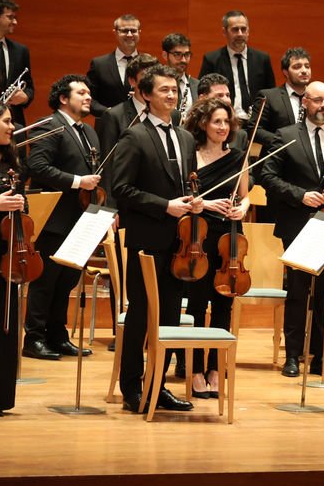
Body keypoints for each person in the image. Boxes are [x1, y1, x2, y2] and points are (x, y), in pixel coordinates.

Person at [108, 64, 203, 413]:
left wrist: (195, 200)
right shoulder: (134, 136)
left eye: (175, 90)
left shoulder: (186, 137)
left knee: (170, 318)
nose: (171, 95)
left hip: (179, 245)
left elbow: (189, 184)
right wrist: (165, 206)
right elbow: (120, 189)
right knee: (141, 314)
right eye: (164, 90)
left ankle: (158, 386)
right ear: (145, 95)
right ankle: (132, 387)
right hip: (147, 238)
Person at [259, 81, 324, 379]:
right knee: (298, 291)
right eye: (318, 101)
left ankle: (320, 356)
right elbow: (266, 175)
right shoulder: (287, 136)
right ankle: (292, 356)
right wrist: (300, 195)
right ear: (305, 103)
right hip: (296, 222)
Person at [23, 75, 101, 361]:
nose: (88, 96)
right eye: (81, 92)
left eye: (89, 92)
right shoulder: (48, 126)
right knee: (46, 280)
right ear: (63, 99)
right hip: (54, 216)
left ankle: (58, 335)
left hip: (81, 219)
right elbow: (37, 166)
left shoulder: (89, 132)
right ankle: (34, 338)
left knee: (67, 280)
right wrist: (78, 181)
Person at [180, 97, 249, 398]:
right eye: (216, 121)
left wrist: (243, 208)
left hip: (230, 234)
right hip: (199, 235)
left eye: (226, 122)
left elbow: (245, 196)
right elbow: (184, 196)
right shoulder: (190, 156)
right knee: (196, 306)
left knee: (224, 303)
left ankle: (215, 370)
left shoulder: (238, 158)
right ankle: (194, 370)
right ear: (204, 124)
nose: (222, 127)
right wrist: (205, 203)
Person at [0, 101, 28, 416]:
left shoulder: (11, 161)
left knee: (5, 330)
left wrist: (20, 204)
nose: (12, 126)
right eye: (7, 121)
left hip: (6, 256)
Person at [197, 11, 275, 118]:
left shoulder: (262, 59)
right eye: (235, 29)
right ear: (224, 32)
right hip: (225, 118)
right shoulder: (212, 59)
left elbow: (270, 93)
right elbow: (203, 95)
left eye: (243, 29)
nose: (240, 34)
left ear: (248, 31)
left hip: (256, 120)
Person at [96, 53, 160, 159]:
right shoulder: (114, 116)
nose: (151, 82)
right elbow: (108, 162)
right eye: (146, 76)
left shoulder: (172, 114)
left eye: (155, 76)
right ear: (132, 81)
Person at [252, 47, 311, 147]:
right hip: (278, 158)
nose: (304, 70)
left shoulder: (317, 98)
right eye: (297, 67)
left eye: (307, 66)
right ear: (286, 72)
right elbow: (254, 129)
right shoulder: (269, 96)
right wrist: (283, 141)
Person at [85, 14, 140, 119]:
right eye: (124, 31)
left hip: (141, 128)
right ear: (115, 33)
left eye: (133, 31)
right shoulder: (99, 64)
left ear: (139, 33)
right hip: (108, 128)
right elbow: (89, 99)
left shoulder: (150, 64)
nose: (129, 35)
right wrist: (110, 113)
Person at [0, 0, 34, 127]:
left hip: (13, 123)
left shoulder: (20, 51)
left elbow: (29, 87)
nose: (15, 22)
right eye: (10, 17)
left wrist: (25, 97)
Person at [162, 33, 199, 118]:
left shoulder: (197, 85)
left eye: (187, 55)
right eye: (177, 54)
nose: (183, 60)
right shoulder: (155, 85)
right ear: (165, 55)